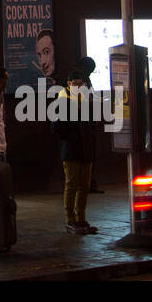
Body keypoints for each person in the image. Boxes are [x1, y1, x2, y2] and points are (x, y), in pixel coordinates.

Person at [51, 68, 98, 234]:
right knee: (71, 185)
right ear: (68, 84)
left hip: (86, 150)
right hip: (71, 151)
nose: (78, 87)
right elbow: (56, 129)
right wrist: (74, 138)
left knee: (84, 186)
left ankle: (81, 218)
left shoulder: (85, 100)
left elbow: (92, 124)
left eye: (81, 84)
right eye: (75, 84)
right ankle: (70, 219)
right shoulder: (62, 101)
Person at [79, 56, 104, 194]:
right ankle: (87, 183)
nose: (90, 73)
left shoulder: (84, 78)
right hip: (85, 123)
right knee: (87, 154)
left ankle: (89, 183)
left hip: (88, 121)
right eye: (90, 70)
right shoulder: (80, 79)